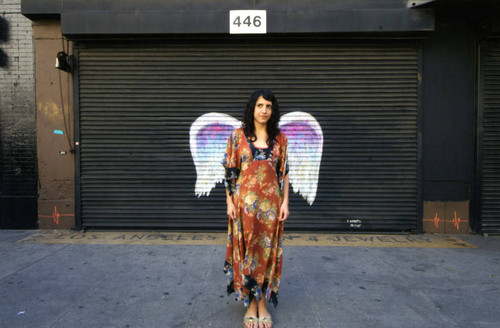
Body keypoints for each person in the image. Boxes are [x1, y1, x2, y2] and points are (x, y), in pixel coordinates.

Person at [222, 89, 290, 328]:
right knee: (247, 254)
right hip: (243, 210)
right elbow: (230, 173)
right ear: (253, 108)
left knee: (267, 254)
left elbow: (284, 174)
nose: (264, 110)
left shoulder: (280, 139)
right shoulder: (236, 137)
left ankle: (263, 304)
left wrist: (285, 203)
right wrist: (229, 202)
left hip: (270, 209)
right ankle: (252, 304)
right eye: (260, 105)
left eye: (269, 106)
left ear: (273, 111)